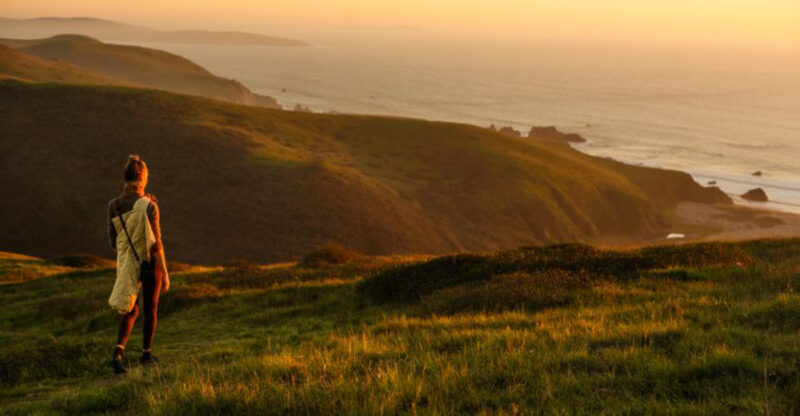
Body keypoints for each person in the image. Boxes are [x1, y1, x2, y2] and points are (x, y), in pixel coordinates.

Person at [107, 155, 170, 373]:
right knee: (150, 308)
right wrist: (165, 272)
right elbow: (157, 244)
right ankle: (146, 354)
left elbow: (113, 242)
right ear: (142, 178)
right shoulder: (150, 206)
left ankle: (118, 352)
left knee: (130, 309)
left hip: (127, 262)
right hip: (149, 263)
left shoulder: (113, 206)